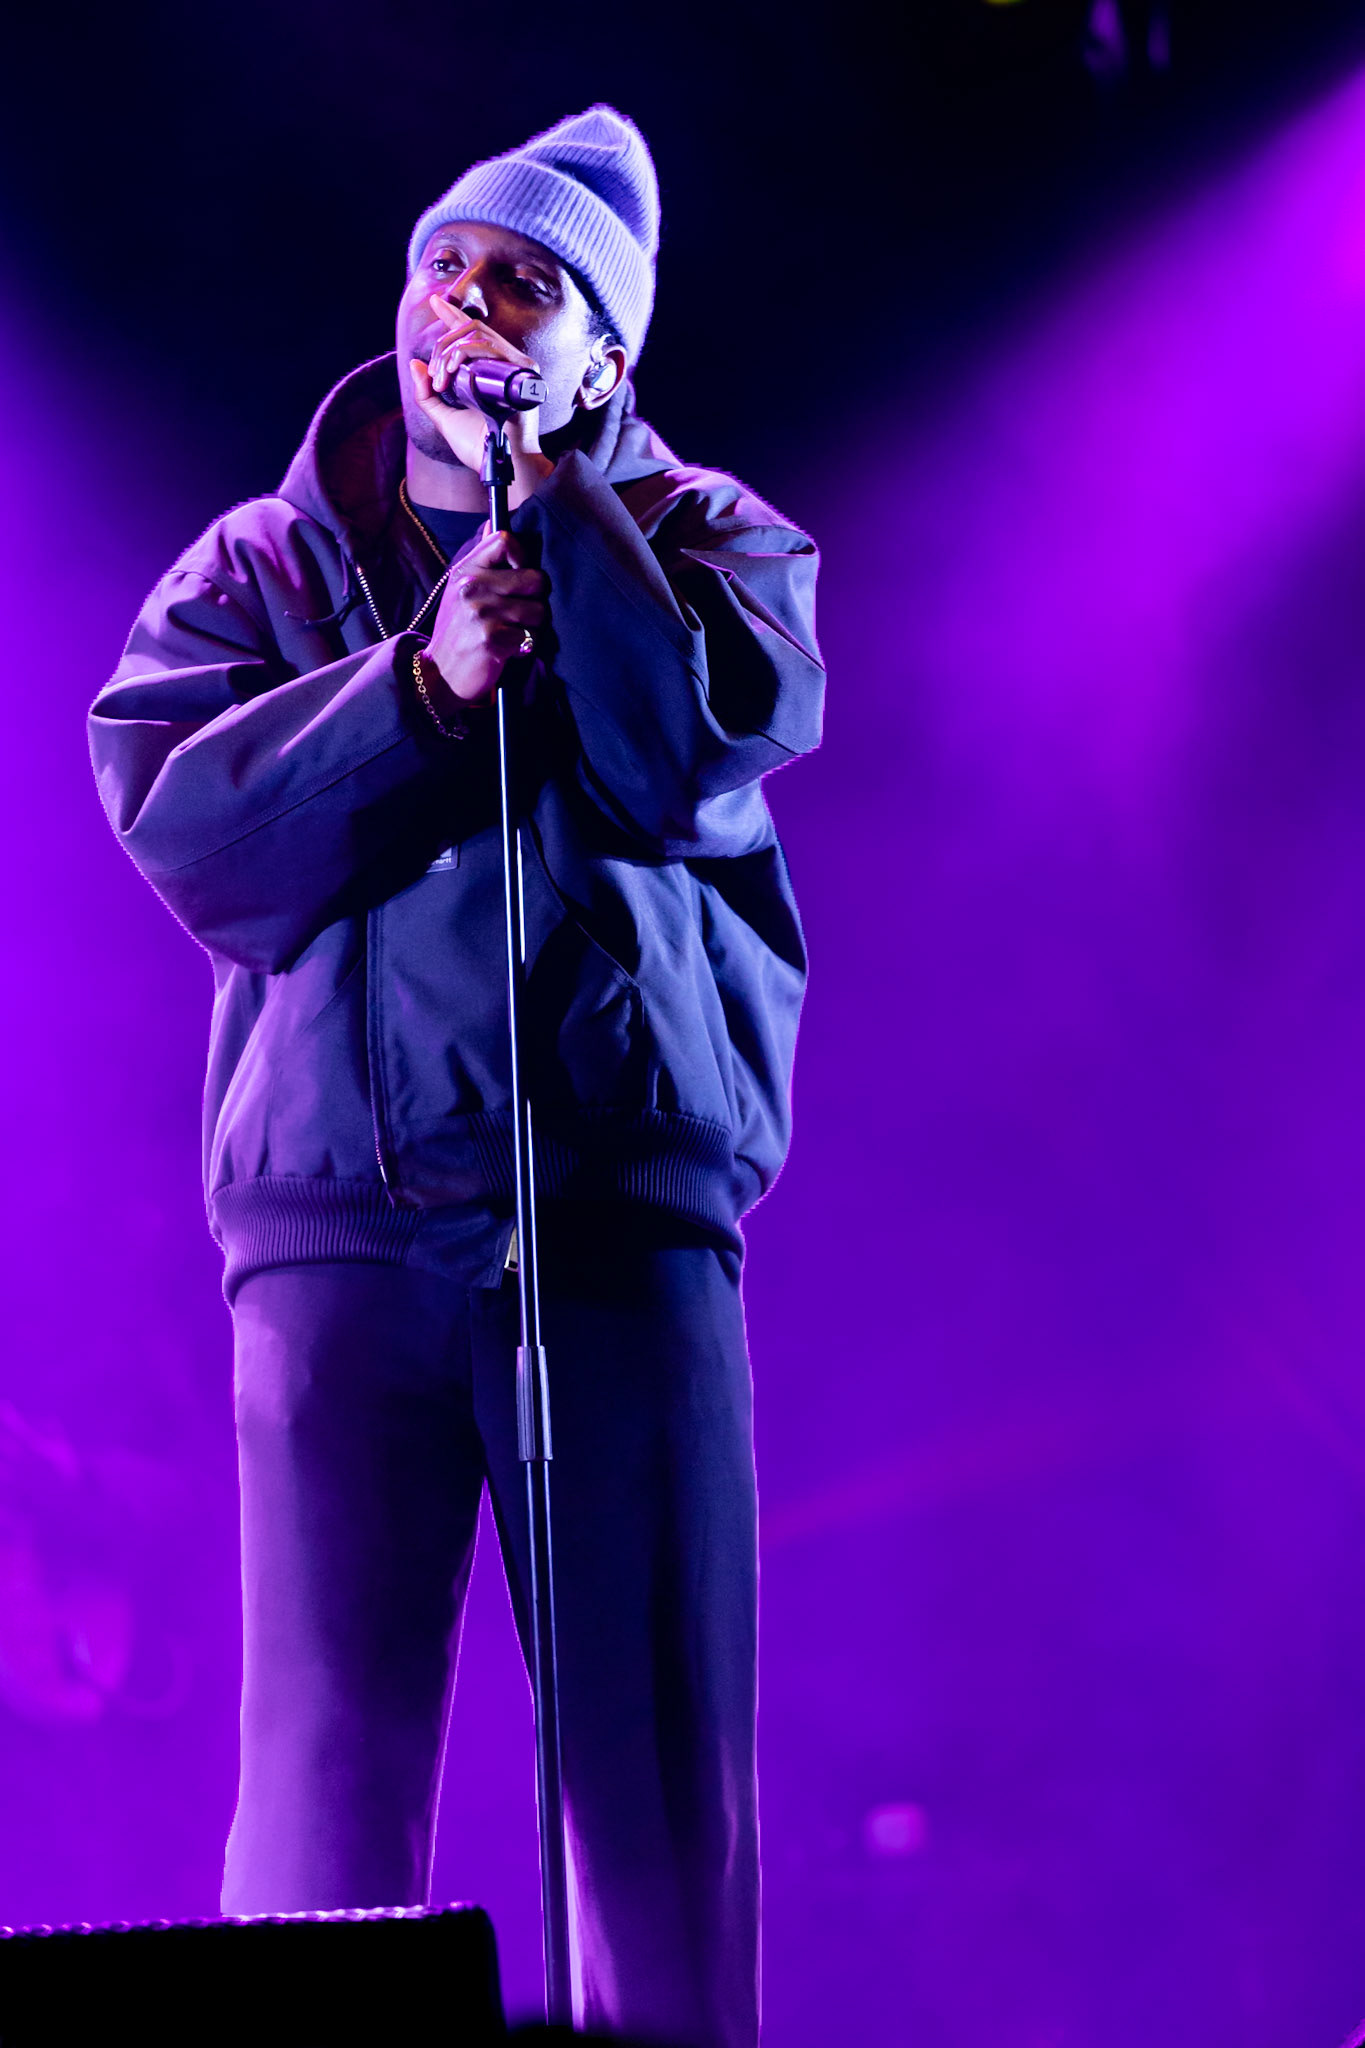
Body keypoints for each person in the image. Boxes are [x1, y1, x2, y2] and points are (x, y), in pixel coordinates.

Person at [90, 105, 823, 2048]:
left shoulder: (713, 543)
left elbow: (691, 755)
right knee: (321, 1771)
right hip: (339, 1230)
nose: (468, 306)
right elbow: (186, 830)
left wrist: (556, 522)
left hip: (610, 1224)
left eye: (528, 284)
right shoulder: (261, 563)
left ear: (605, 356)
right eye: (446, 267)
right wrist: (416, 687)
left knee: (654, 1777)